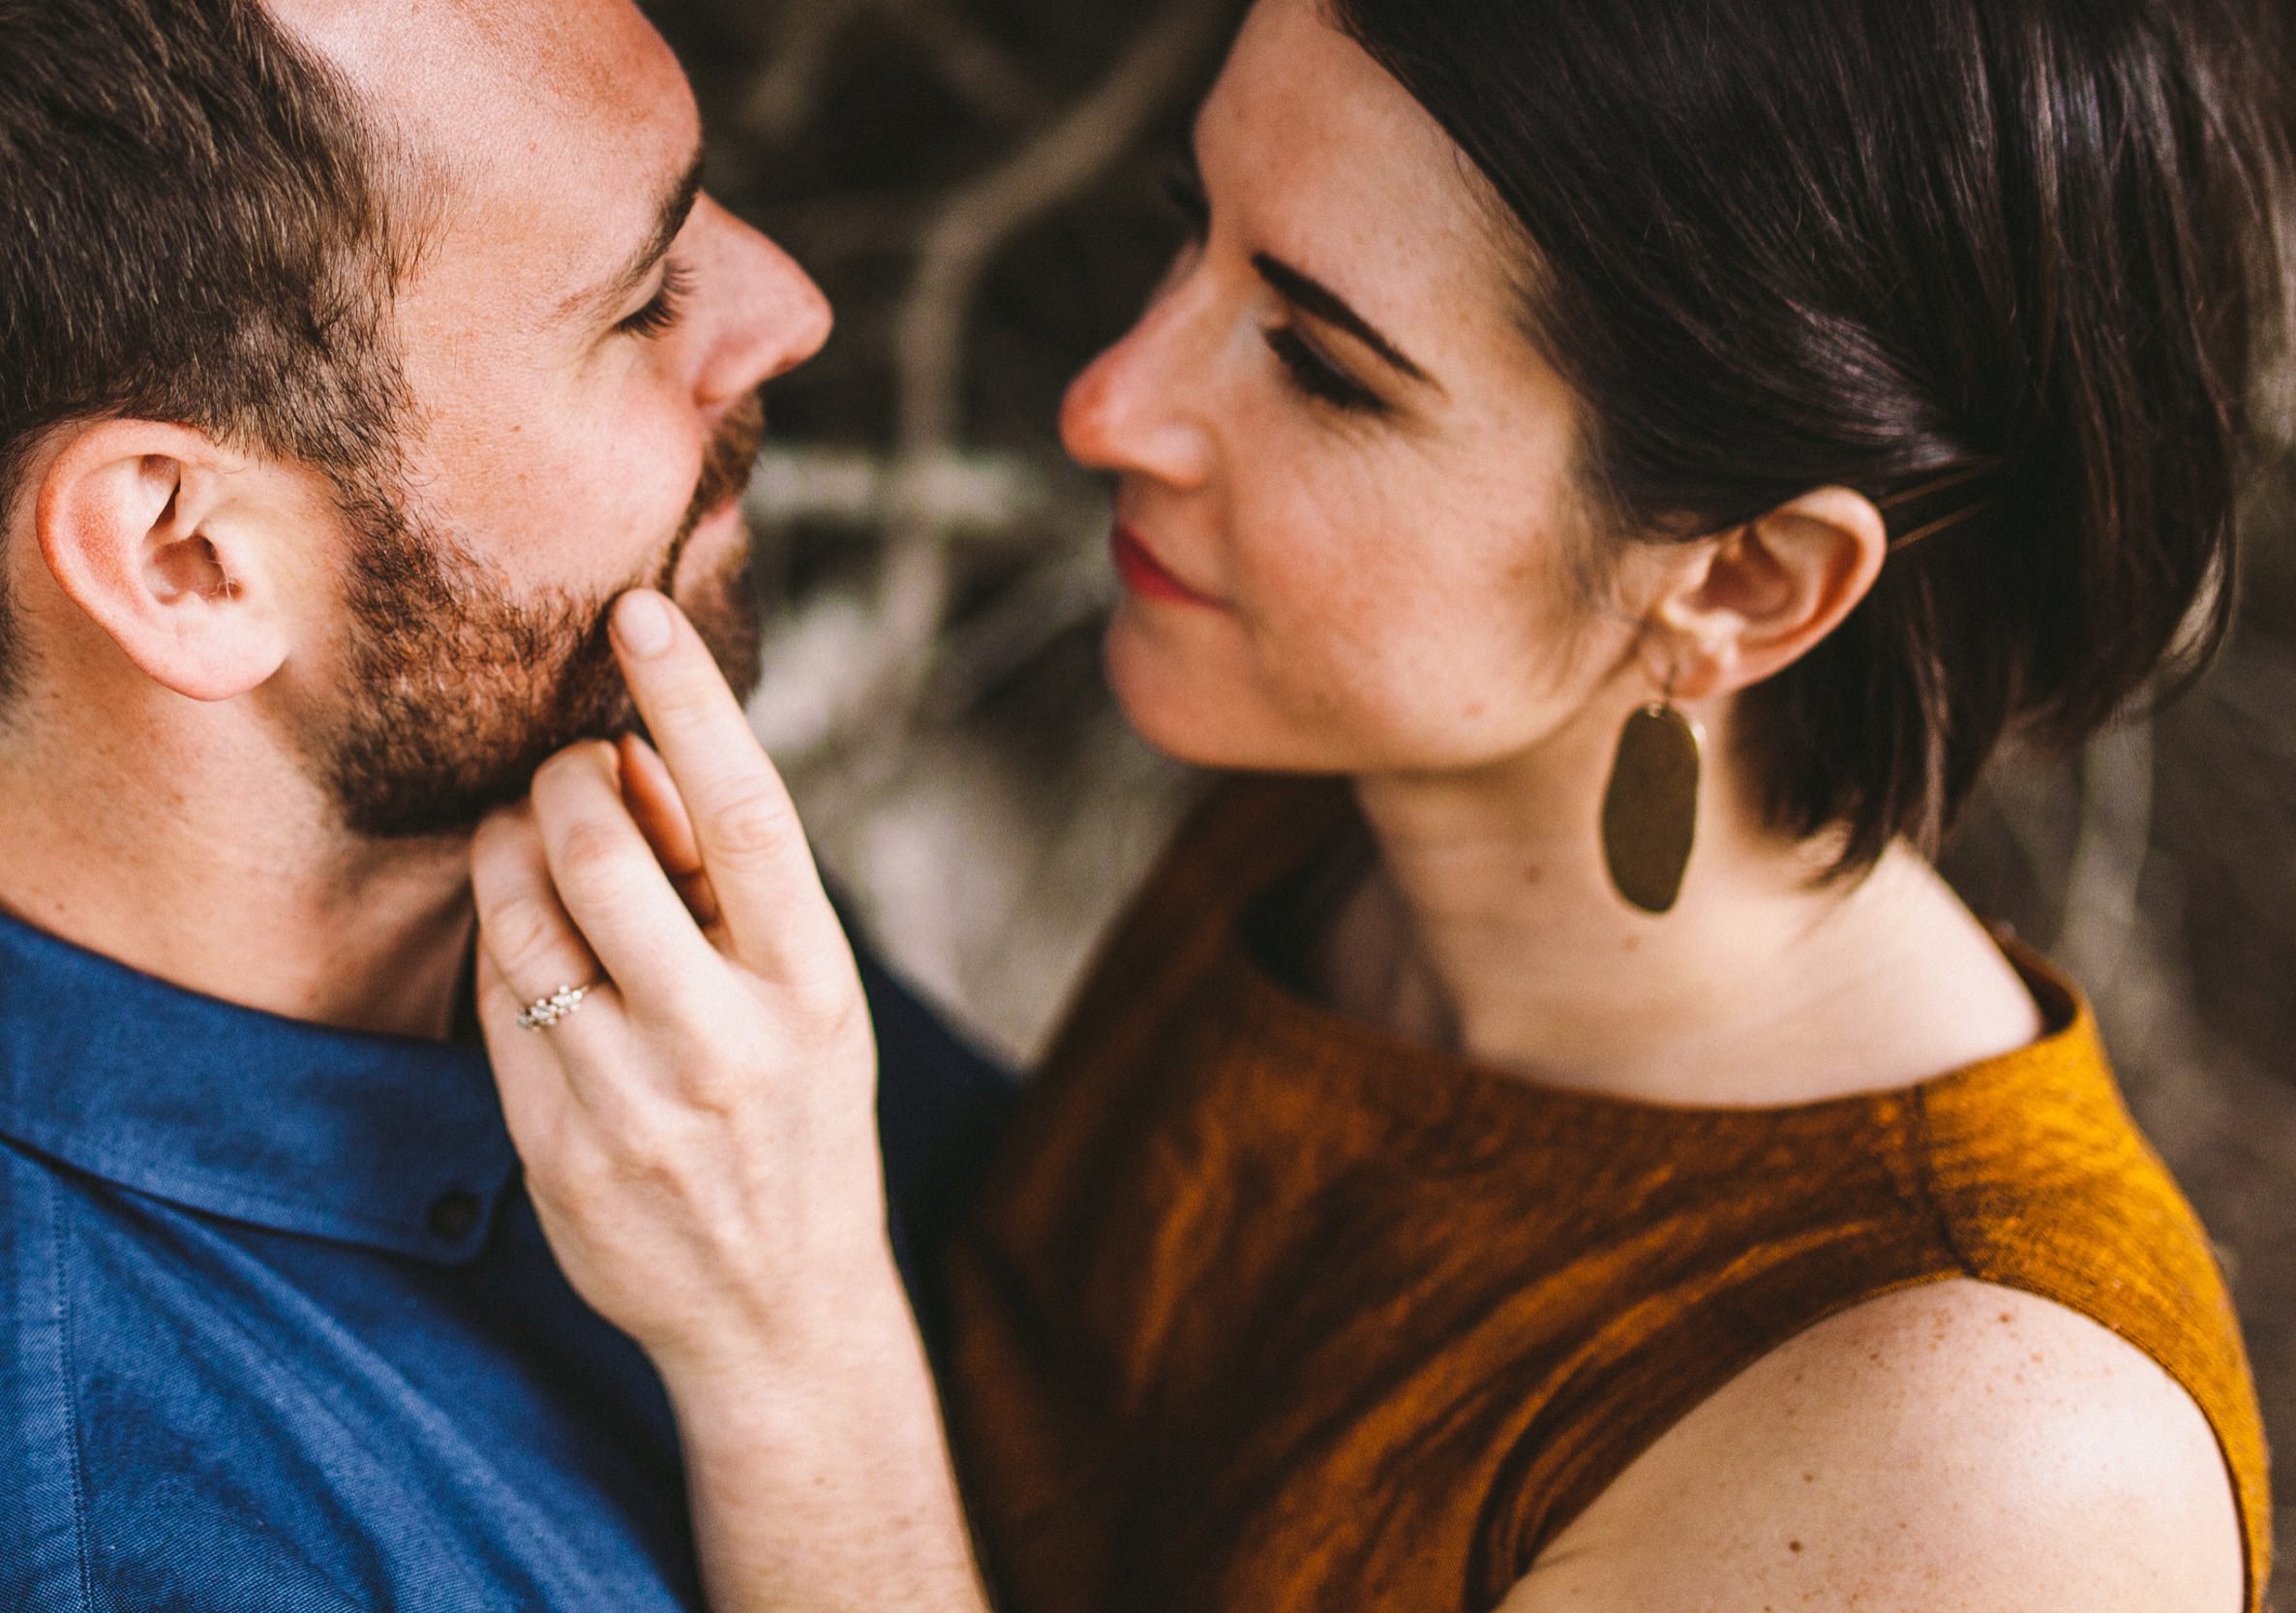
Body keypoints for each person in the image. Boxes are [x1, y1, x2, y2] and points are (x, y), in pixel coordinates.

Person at [467, 0, 2289, 1609]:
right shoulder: (1351, 805)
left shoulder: (1984, 1469)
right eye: (1200, 236)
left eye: (1326, 368)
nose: (1113, 406)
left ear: (1743, 584)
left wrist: (792, 1352)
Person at [0, 2, 1009, 1607]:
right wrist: (800, 1360)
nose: (788, 309)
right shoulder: (115, 1546)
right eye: (641, 300)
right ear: (187, 556)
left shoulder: (536, 790)